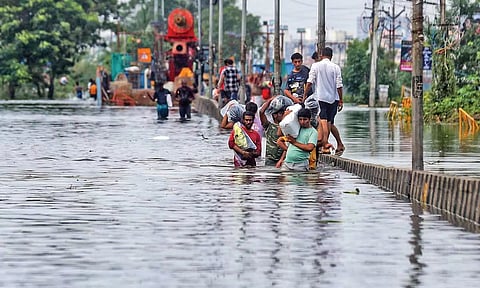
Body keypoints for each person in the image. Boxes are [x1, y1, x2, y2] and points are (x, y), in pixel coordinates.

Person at [304, 47, 344, 155]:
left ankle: (325, 144)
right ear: (331, 56)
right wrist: (341, 100)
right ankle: (338, 144)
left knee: (324, 121)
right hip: (334, 99)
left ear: (321, 55)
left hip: (321, 98)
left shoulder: (315, 66)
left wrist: (304, 95)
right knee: (329, 122)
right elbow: (339, 85)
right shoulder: (336, 67)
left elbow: (309, 82)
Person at [259, 96, 286, 167]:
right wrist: (270, 100)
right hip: (270, 159)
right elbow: (261, 112)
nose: (282, 115)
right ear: (274, 115)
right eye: (280, 113)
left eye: (282, 113)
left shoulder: (286, 127)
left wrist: (282, 159)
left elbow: (288, 145)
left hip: (283, 159)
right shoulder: (269, 126)